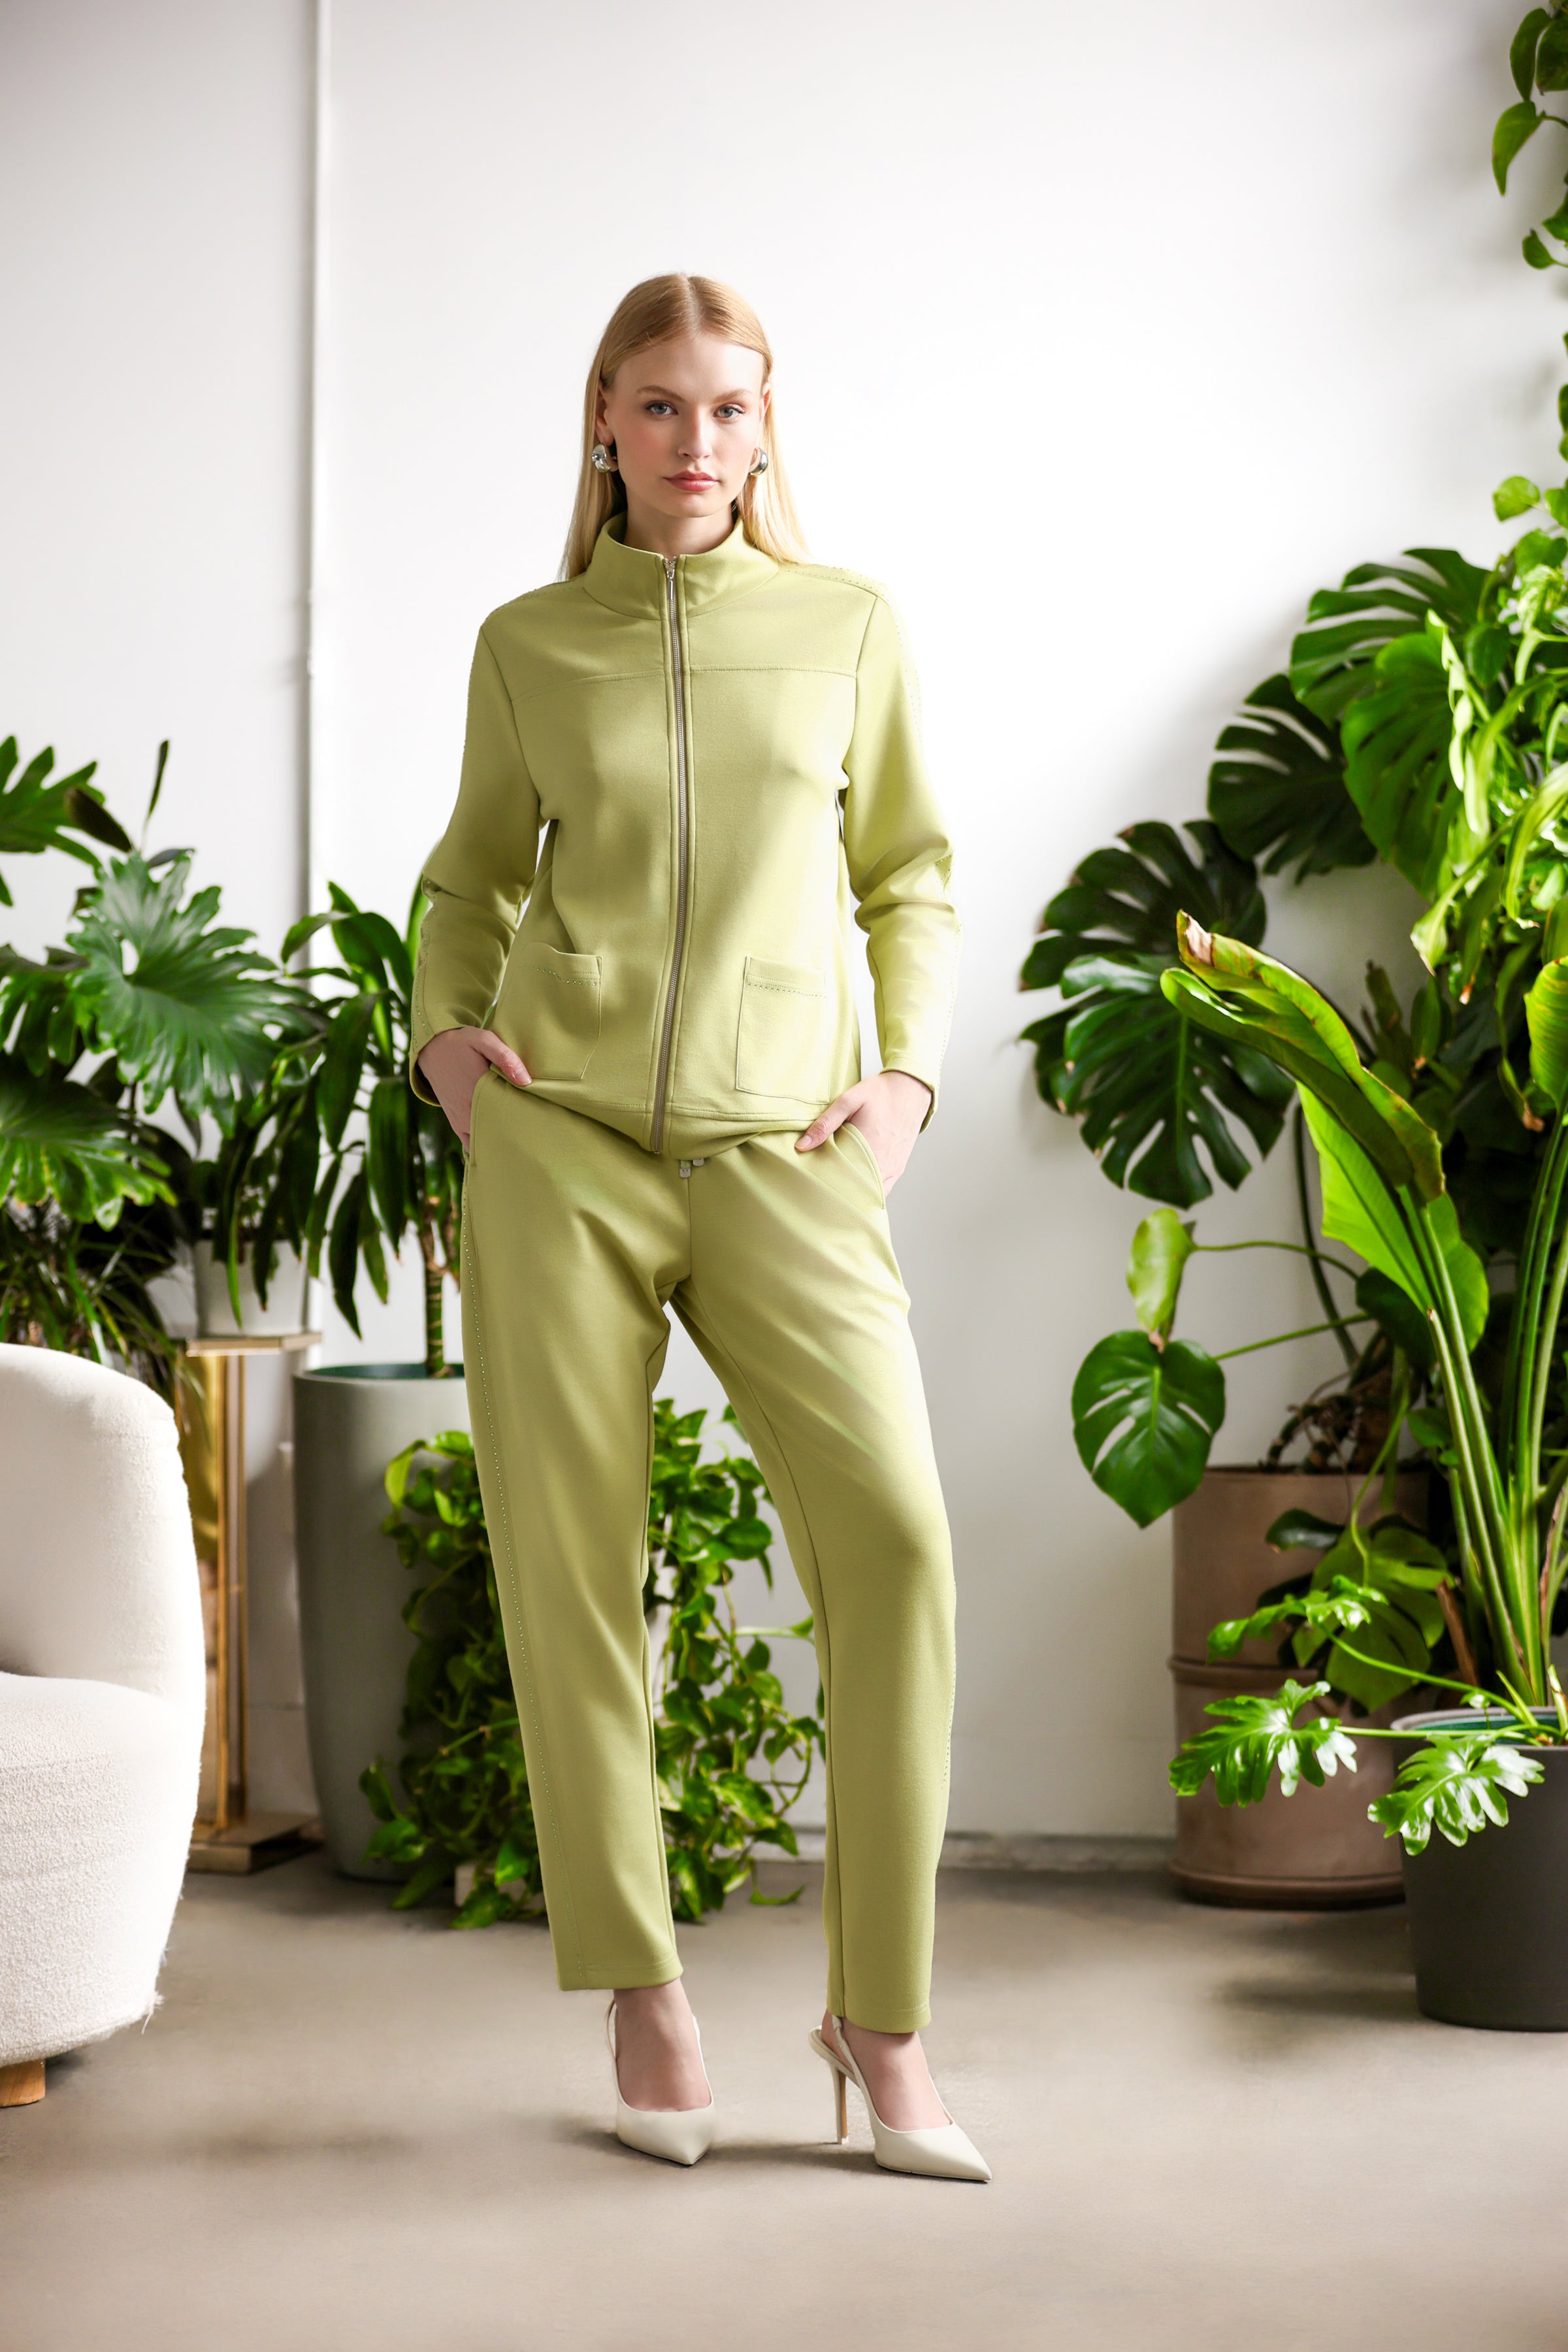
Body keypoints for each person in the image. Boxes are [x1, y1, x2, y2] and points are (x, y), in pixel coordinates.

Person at [408, 273, 985, 2182]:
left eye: (732, 408)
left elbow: (910, 874)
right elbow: (472, 879)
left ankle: (880, 2022)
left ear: (766, 424)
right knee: (573, 1570)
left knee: (896, 1542)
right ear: (604, 417)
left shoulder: (845, 628)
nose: (698, 443)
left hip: (785, 1144)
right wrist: (450, 1049)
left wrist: (905, 1080)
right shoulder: (528, 644)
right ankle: (643, 1992)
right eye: (661, 406)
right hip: (560, 1146)